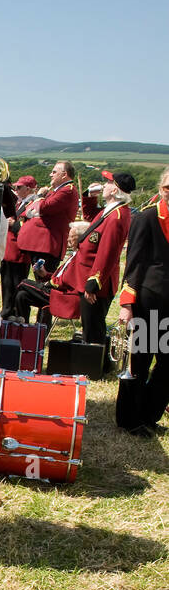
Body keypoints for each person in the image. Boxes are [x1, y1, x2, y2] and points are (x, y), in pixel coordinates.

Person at [57, 170, 134, 359]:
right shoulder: (111, 209)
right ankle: (91, 360)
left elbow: (107, 253)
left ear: (115, 190)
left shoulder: (117, 217)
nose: (103, 185)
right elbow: (92, 217)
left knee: (93, 326)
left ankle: (93, 363)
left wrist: (94, 283)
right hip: (90, 276)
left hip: (97, 281)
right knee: (90, 324)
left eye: (107, 183)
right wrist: (89, 197)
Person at [115, 166, 169, 435]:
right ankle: (130, 419)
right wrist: (127, 303)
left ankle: (150, 415)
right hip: (150, 303)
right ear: (161, 189)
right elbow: (133, 264)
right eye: (168, 187)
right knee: (140, 362)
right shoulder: (147, 218)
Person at [16, 159, 80, 278]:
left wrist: (39, 196)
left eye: (54, 172)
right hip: (42, 244)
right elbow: (29, 211)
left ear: (64, 174)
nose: (51, 175)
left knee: (43, 281)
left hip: (49, 245)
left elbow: (44, 207)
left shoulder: (67, 191)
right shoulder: (57, 191)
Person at [0, 175, 39, 318]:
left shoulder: (34, 203)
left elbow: (31, 226)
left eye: (19, 187)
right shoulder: (19, 202)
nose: (16, 190)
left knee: (16, 285)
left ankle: (16, 313)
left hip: (19, 251)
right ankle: (7, 310)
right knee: (6, 284)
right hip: (9, 249)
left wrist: (13, 224)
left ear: (28, 189)